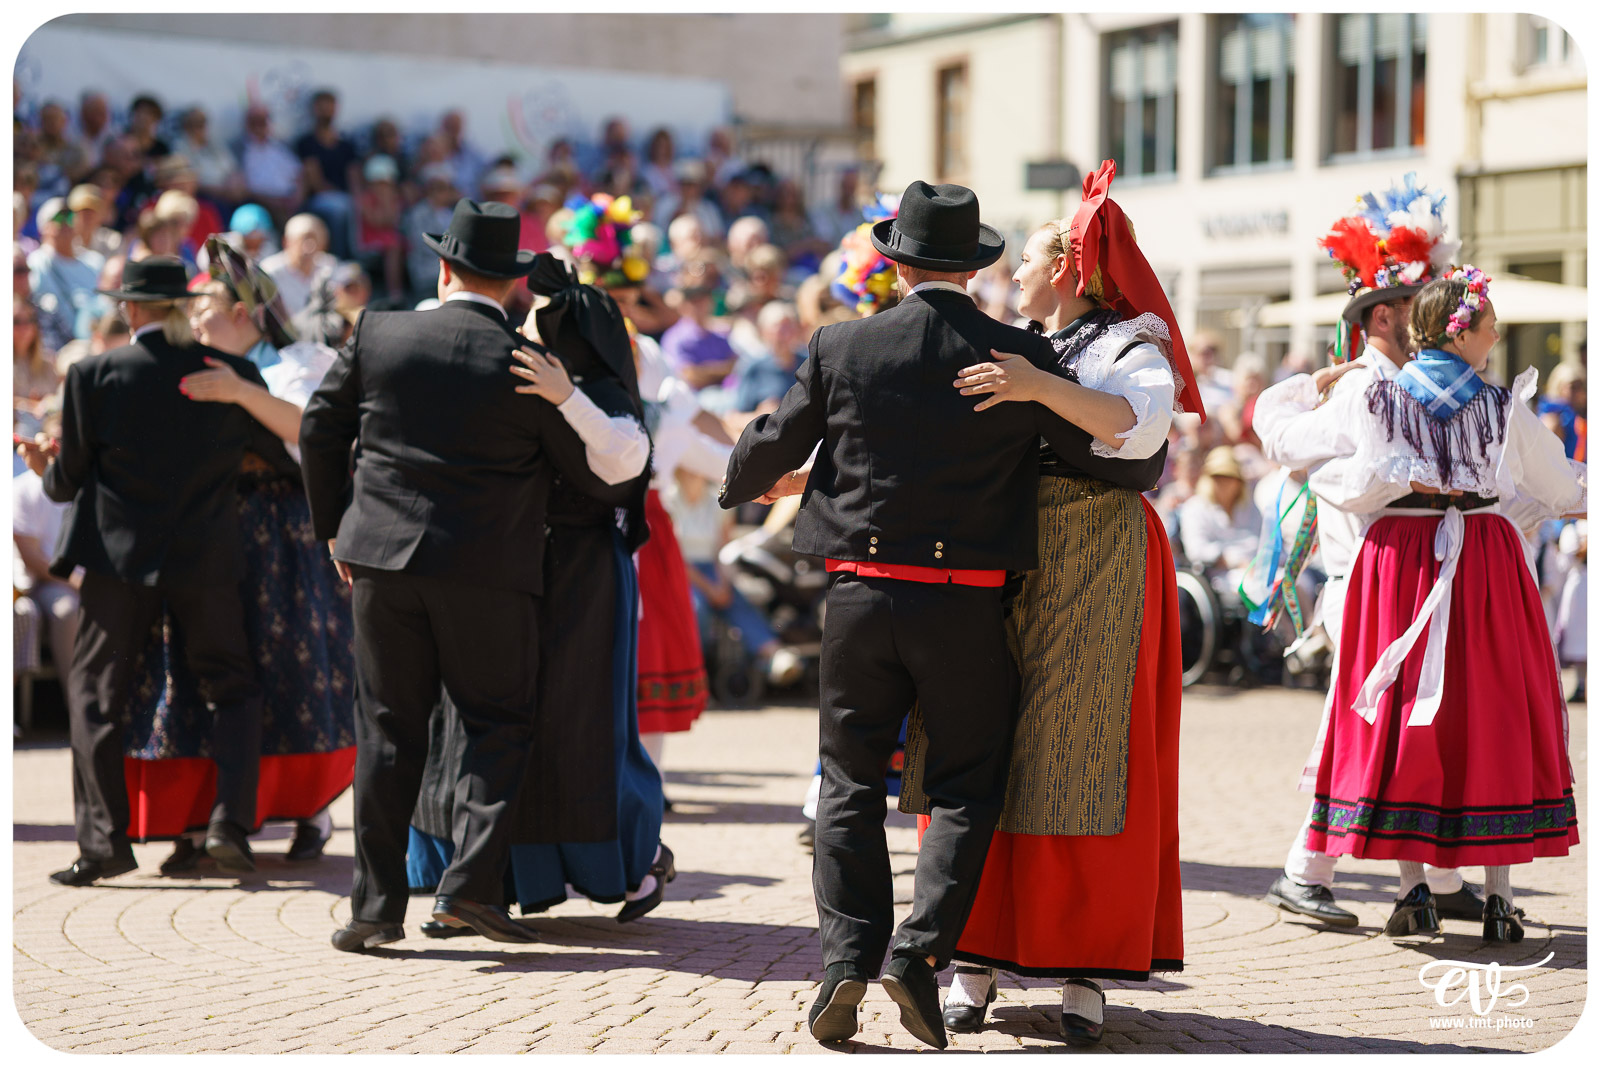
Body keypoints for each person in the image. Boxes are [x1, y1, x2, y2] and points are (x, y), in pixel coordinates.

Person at [720, 180, 1089, 1050]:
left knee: (848, 780)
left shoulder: (844, 344)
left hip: (860, 595)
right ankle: (917, 955)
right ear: (975, 266)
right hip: (963, 601)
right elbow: (1092, 455)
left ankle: (848, 959)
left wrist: (747, 476)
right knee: (966, 785)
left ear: (896, 262)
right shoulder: (1014, 353)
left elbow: (771, 447)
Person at [300, 199, 639, 952]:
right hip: (489, 570)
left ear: (443, 267)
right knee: (496, 726)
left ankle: (374, 908)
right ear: (514, 284)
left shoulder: (379, 331)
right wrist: (575, 396)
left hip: (382, 560)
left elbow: (319, 426)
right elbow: (609, 466)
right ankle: (467, 891)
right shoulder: (524, 364)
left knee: (387, 732)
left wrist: (334, 528)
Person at [913, 160, 1196, 1042]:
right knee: (984, 742)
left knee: (1083, 751)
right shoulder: (1021, 341)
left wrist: (1037, 389)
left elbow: (1138, 424)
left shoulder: (1121, 346)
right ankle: (973, 952)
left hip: (1097, 558)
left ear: (1069, 268)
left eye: (1029, 260)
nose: (1014, 275)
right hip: (1007, 554)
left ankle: (1084, 961)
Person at [1260, 269, 1584, 942]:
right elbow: (1558, 484)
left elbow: (1293, 449)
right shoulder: (1501, 404)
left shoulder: (1373, 396)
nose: (1496, 334)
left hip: (1399, 560)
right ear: (1463, 331)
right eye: (1490, 324)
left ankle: (1415, 894)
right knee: (1494, 710)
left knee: (1407, 713)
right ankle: (1498, 896)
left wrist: (1298, 398)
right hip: (1484, 561)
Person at [14, 256, 296, 886]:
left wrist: (42, 465)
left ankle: (105, 843)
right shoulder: (233, 372)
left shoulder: (95, 373)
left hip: (120, 560)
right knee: (232, 687)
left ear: (132, 309)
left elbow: (67, 483)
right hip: (207, 556)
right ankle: (228, 824)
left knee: (95, 696)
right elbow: (282, 458)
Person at [408, 252, 668, 927]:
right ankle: (470, 877)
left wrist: (566, 396)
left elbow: (626, 459)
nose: (525, 341)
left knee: (575, 725)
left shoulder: (601, 398)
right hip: (502, 572)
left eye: (540, 330)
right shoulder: (505, 384)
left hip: (582, 584)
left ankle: (620, 863)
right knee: (483, 722)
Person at [1256, 175, 1488, 927]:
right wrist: (1309, 385)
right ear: (1386, 313)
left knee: (1406, 727)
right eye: (1426, 303)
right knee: (1364, 726)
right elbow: (1285, 443)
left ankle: (1429, 880)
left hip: (1413, 579)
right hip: (1372, 581)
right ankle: (1308, 869)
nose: (1441, 319)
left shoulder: (1416, 384)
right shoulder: (1366, 385)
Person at [122, 237, 355, 875]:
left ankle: (308, 809)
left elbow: (313, 434)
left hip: (278, 534)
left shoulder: (293, 365)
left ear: (247, 315)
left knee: (287, 669)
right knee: (196, 673)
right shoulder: (186, 367)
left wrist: (240, 392)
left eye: (208, 311)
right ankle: (198, 821)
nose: (195, 321)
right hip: (206, 529)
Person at [293, 89, 361, 259]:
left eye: (329, 107)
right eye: (322, 107)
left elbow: (353, 177)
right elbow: (315, 180)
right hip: (318, 199)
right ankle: (340, 259)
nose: (326, 111)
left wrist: (359, 199)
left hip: (344, 198)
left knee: (353, 206)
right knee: (340, 209)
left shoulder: (346, 145)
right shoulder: (306, 143)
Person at [1177, 446, 1261, 583]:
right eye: (1217, 477)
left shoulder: (1250, 507)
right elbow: (1196, 550)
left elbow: (1263, 540)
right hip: (1219, 577)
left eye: (1229, 477)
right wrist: (1234, 560)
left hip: (1257, 568)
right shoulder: (1194, 508)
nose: (1223, 482)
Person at [27, 197, 103, 342]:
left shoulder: (94, 261)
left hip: (97, 339)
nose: (65, 224)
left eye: (70, 217)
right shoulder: (38, 262)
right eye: (59, 218)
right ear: (44, 227)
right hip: (62, 342)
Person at [261, 213, 336, 318]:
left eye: (315, 239)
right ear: (287, 242)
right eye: (304, 239)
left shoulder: (327, 267)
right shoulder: (270, 271)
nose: (310, 246)